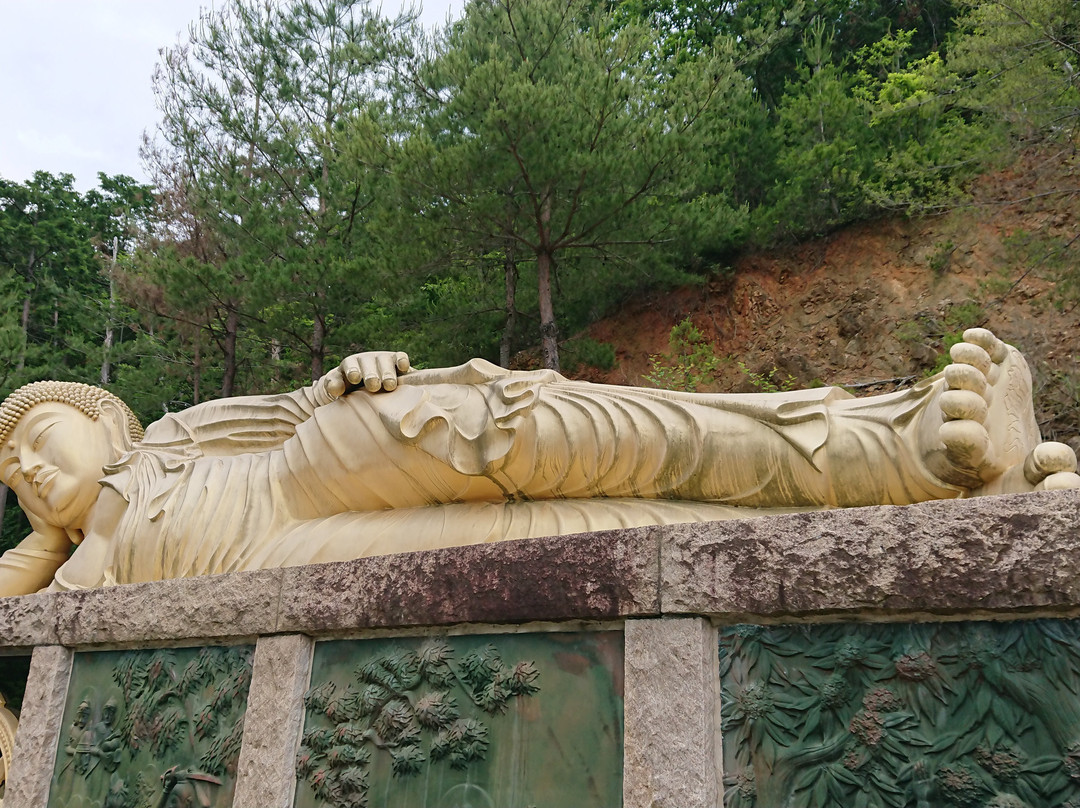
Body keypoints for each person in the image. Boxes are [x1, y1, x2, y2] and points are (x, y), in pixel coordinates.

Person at [0, 328, 1075, 595]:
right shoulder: (67, 567)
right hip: (272, 561)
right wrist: (49, 541)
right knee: (546, 551)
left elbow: (290, 408)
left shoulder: (177, 435)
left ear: (105, 418)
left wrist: (348, 374)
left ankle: (888, 446)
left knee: (554, 433)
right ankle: (918, 522)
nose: (31, 472)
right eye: (13, 482)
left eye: (41, 445)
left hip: (305, 468)